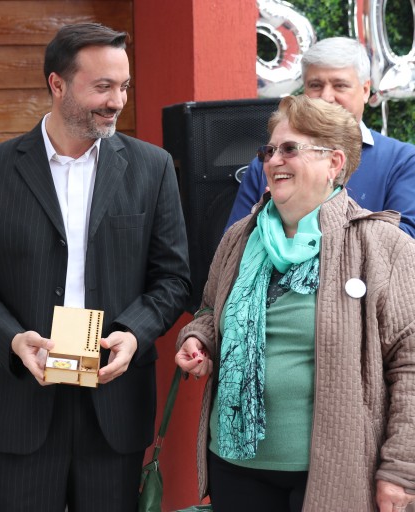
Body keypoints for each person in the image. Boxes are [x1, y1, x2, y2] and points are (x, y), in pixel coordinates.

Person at [0, 23, 190, 511]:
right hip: (23, 397)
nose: (117, 101)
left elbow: (173, 278)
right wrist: (12, 341)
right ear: (57, 84)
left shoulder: (153, 166)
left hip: (114, 400)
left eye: (123, 86)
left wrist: (134, 334)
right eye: (102, 86)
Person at [176, 95, 415, 512]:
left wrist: (400, 470)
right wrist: (199, 339)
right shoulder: (240, 237)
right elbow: (210, 311)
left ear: (334, 162)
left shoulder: (382, 246)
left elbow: (409, 362)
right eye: (268, 150)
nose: (273, 161)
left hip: (334, 473)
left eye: (290, 149)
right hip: (234, 464)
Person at [226, 37, 415, 237]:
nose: (326, 97)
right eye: (315, 85)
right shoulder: (270, 163)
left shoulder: (402, 161)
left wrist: (300, 216)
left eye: (340, 85)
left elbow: (405, 241)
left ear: (365, 90)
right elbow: (233, 243)